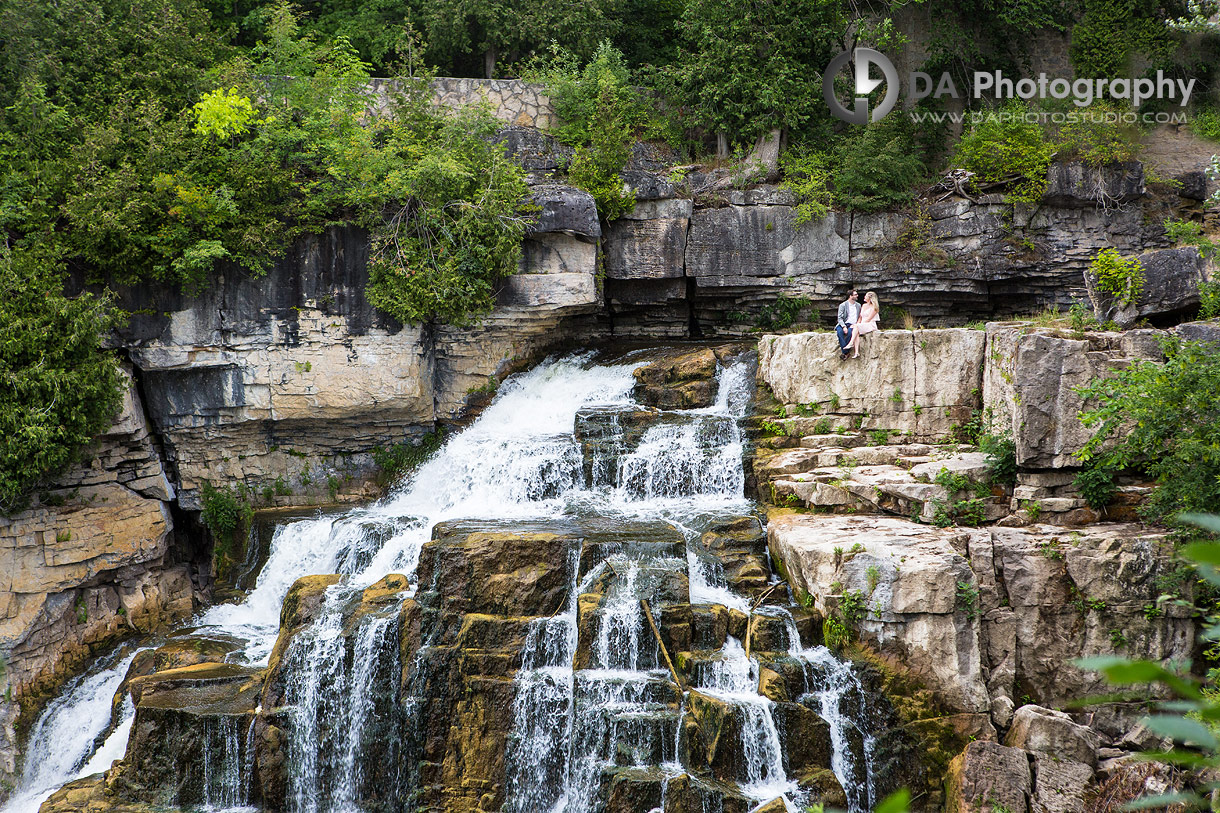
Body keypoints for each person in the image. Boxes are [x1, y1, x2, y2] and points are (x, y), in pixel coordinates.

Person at [847, 292, 880, 358]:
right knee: (856, 331)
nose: (864, 297)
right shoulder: (864, 305)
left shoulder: (874, 307)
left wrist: (859, 325)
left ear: (870, 298)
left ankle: (851, 343)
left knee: (856, 328)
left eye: (866, 296)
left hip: (870, 324)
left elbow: (868, 319)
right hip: (862, 323)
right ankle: (856, 352)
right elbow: (860, 317)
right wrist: (857, 324)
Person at [835, 289, 859, 360]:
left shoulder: (858, 306)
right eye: (855, 295)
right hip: (843, 323)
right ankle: (846, 352)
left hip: (853, 324)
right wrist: (844, 326)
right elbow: (839, 318)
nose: (857, 296)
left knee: (850, 333)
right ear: (850, 296)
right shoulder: (843, 305)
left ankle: (844, 353)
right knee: (840, 332)